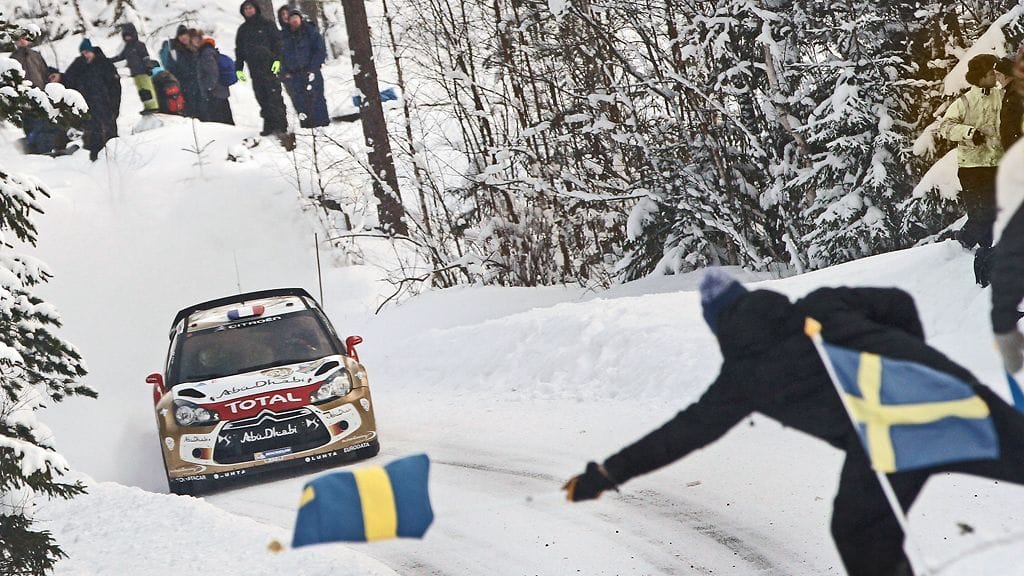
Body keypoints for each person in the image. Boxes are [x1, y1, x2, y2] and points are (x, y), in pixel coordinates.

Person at [564, 270, 1024, 576]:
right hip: (952, 397)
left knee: (857, 529)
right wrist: (907, 372)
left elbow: (681, 435)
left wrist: (605, 474)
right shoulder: (823, 306)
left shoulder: (744, 378)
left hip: (886, 442)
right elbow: (898, 302)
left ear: (718, 327)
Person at [939, 53, 1004, 286]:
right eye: (990, 73)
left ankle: (982, 251)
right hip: (971, 166)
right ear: (980, 77)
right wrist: (969, 133)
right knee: (980, 213)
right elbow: (945, 127)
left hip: (996, 164)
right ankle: (962, 245)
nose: (994, 76)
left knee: (991, 212)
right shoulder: (964, 101)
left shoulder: (1001, 96)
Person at [236, 0, 291, 140]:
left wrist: (277, 60)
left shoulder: (267, 24)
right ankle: (269, 124)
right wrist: (238, 68)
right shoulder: (243, 30)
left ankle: (281, 124)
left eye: (250, 7)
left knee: (274, 96)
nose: (248, 10)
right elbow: (239, 50)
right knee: (261, 97)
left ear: (255, 8)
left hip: (270, 66)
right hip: (254, 69)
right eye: (246, 9)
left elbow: (277, 43)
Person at [64, 39, 121, 161]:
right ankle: (95, 162)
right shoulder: (79, 64)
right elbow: (68, 80)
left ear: (92, 51)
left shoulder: (104, 63)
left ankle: (115, 160)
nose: (86, 55)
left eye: (87, 52)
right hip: (89, 107)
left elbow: (115, 87)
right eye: (83, 53)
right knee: (93, 138)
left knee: (111, 137)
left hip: (106, 106)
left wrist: (115, 107)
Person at [281, 8, 329, 128]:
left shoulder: (310, 32)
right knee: (300, 101)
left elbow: (320, 50)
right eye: (292, 18)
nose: (294, 21)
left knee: (317, 98)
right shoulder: (284, 36)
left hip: (311, 71)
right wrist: (284, 72)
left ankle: (322, 124)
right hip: (293, 74)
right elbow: (279, 56)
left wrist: (313, 67)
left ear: (301, 19)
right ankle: (307, 126)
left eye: (296, 18)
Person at [111, 23, 159, 114]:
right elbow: (120, 57)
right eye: (126, 36)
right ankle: (147, 106)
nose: (128, 38)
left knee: (147, 89)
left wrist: (148, 67)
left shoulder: (140, 45)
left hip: (143, 72)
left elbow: (145, 57)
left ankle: (153, 106)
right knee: (141, 91)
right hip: (135, 73)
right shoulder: (127, 47)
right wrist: (108, 60)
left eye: (129, 35)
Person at [191, 30, 234, 125]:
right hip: (220, 91)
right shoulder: (207, 50)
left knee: (218, 121)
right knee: (225, 118)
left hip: (215, 92)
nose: (195, 42)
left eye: (196, 39)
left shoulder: (206, 53)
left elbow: (212, 72)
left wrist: (208, 88)